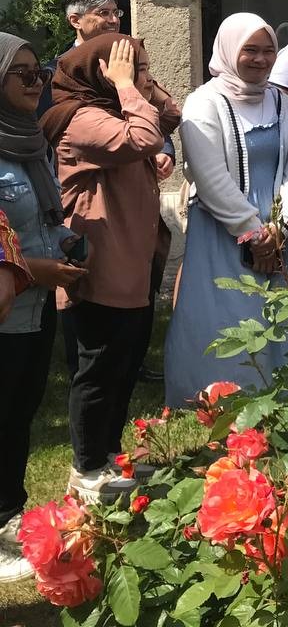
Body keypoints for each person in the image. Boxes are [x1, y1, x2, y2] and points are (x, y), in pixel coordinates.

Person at [42, 34, 181, 500]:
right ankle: (85, 468)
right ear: (101, 74)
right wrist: (126, 85)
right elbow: (146, 135)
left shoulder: (116, 107)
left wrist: (139, 81)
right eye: (132, 69)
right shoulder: (81, 118)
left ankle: (109, 457)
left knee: (124, 364)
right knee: (98, 369)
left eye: (143, 69)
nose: (142, 79)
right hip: (101, 262)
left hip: (132, 260)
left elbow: (172, 114)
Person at [39, 0, 175, 384]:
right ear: (75, 20)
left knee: (135, 292)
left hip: (130, 200)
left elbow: (159, 123)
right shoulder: (62, 76)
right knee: (97, 310)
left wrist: (139, 80)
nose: (114, 19)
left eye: (116, 12)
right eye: (103, 13)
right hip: (92, 207)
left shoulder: (122, 75)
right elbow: (129, 134)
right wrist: (127, 86)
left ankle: (128, 364)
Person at [165, 14, 288, 409]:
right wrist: (252, 233)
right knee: (226, 316)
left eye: (268, 50)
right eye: (250, 50)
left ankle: (281, 404)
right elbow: (210, 178)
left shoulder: (278, 100)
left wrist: (281, 225)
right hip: (223, 231)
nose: (261, 59)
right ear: (228, 51)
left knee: (277, 315)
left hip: (277, 231)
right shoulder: (204, 102)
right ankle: (221, 406)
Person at [0, 34, 71, 584]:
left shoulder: (28, 140)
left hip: (35, 309)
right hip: (6, 306)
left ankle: (6, 515)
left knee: (18, 414)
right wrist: (31, 269)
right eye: (19, 73)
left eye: (38, 72)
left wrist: (66, 242)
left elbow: (41, 218)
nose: (34, 82)